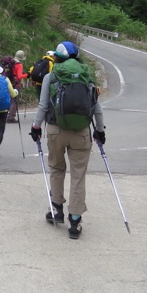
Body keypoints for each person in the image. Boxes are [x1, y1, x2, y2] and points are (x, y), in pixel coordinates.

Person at [29, 41, 106, 239]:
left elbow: (43, 105)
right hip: (81, 132)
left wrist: (36, 127)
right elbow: (96, 107)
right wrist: (99, 130)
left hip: (56, 130)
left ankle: (56, 210)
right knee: (78, 175)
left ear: (58, 58)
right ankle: (75, 220)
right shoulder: (86, 75)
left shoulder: (51, 76)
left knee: (56, 168)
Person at [5, 50, 28, 123]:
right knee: (14, 101)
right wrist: (28, 75)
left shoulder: (9, 63)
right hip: (15, 84)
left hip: (7, 83)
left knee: (8, 100)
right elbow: (19, 76)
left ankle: (5, 115)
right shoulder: (19, 65)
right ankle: (11, 117)